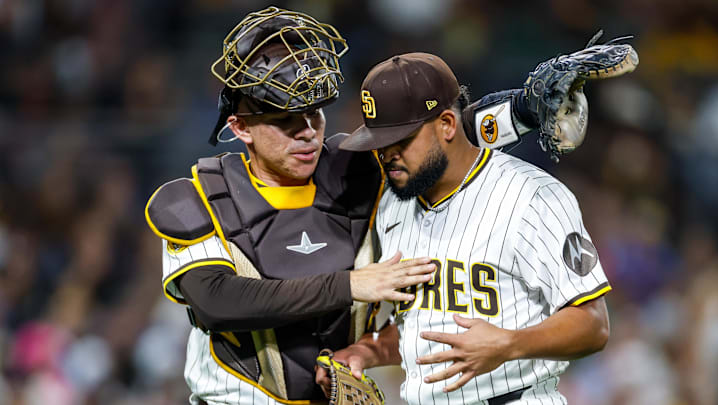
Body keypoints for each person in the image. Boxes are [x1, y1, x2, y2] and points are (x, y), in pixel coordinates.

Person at [144, 6, 586, 405]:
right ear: (240, 127)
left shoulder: (351, 173)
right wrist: (351, 285)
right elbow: (217, 303)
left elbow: (440, 138)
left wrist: (523, 111)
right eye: (285, 122)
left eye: (314, 115)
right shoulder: (198, 198)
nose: (307, 134)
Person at [317, 52, 611, 405]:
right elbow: (421, 329)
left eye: (402, 140)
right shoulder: (393, 206)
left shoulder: (533, 196)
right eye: (380, 143)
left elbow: (593, 326)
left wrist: (509, 343)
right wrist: (366, 352)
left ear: (447, 124)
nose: (388, 154)